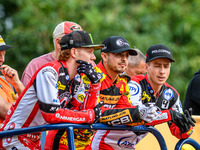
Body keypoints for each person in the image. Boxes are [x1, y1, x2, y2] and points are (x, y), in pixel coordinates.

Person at [0, 31, 106, 150]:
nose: (94, 57)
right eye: (89, 52)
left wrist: (95, 85)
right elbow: (51, 114)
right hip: (14, 137)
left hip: (35, 138)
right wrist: (89, 116)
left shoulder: (78, 77)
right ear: (74, 52)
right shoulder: (49, 72)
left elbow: (83, 111)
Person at [91, 44, 195, 150]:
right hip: (105, 143)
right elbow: (138, 117)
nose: (162, 71)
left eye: (166, 66)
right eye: (157, 66)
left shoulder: (171, 94)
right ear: (146, 67)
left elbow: (179, 132)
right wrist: (170, 114)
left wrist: (185, 128)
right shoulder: (134, 84)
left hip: (129, 146)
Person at [21, 21, 83, 87]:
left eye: (82, 43)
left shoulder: (87, 64)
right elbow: (24, 95)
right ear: (58, 43)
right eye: (74, 42)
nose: (80, 47)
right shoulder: (35, 65)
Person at [0, 35, 25, 123]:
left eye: (3, 55)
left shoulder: (5, 80)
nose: (2, 59)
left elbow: (29, 104)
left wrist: (18, 84)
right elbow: (5, 110)